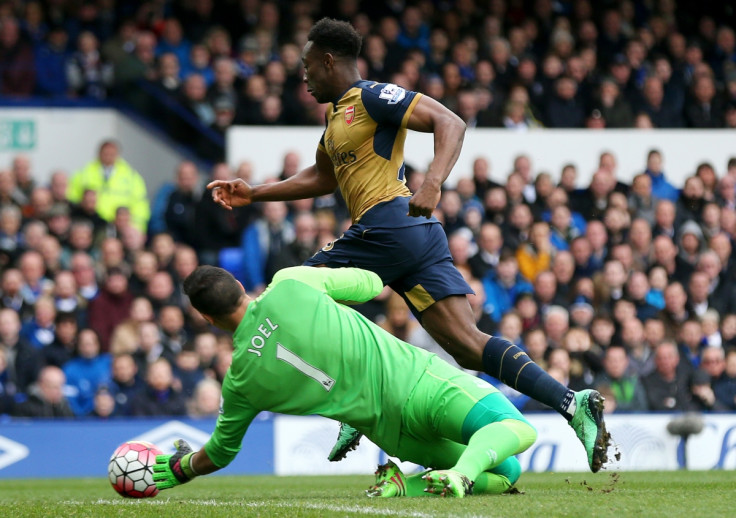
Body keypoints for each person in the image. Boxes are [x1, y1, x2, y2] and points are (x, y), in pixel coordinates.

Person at [207, 17, 608, 473]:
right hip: (409, 237)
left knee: (293, 297)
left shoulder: (372, 96)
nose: (303, 75)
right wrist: (255, 192)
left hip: (387, 226)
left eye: (306, 66)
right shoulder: (335, 116)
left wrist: (433, 181)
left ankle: (356, 407)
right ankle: (573, 403)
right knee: (467, 346)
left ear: (328, 60)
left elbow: (449, 122)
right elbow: (321, 177)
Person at [153, 265, 537, 498]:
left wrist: (180, 468)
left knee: (508, 473)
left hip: (392, 432)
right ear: (238, 283)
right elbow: (371, 283)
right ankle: (462, 475)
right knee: (516, 428)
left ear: (207, 319)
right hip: (419, 385)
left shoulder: (239, 382)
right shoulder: (290, 283)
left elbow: (220, 451)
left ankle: (407, 484)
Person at [67, 140, 150, 234]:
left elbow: (140, 204)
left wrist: (137, 226)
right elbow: (72, 198)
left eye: (112, 154)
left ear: (118, 154)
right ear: (99, 153)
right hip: (93, 223)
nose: (108, 156)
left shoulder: (131, 176)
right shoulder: (84, 173)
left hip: (122, 226)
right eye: (105, 153)